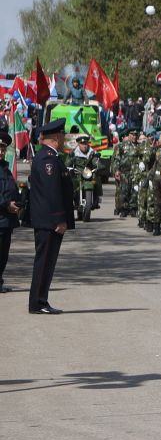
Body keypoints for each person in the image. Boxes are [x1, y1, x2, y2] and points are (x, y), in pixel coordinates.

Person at [26, 120, 77, 314]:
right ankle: (38, 302)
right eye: (63, 135)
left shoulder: (49, 157)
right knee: (44, 262)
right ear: (56, 138)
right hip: (49, 221)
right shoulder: (48, 160)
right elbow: (52, 192)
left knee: (47, 262)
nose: (64, 139)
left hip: (47, 220)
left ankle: (40, 300)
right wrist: (59, 219)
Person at [0, 146, 20, 294]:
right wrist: (6, 204)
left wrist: (19, 202)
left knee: (3, 254)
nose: (1, 152)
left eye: (2, 150)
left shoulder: (5, 168)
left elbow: (10, 189)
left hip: (6, 220)